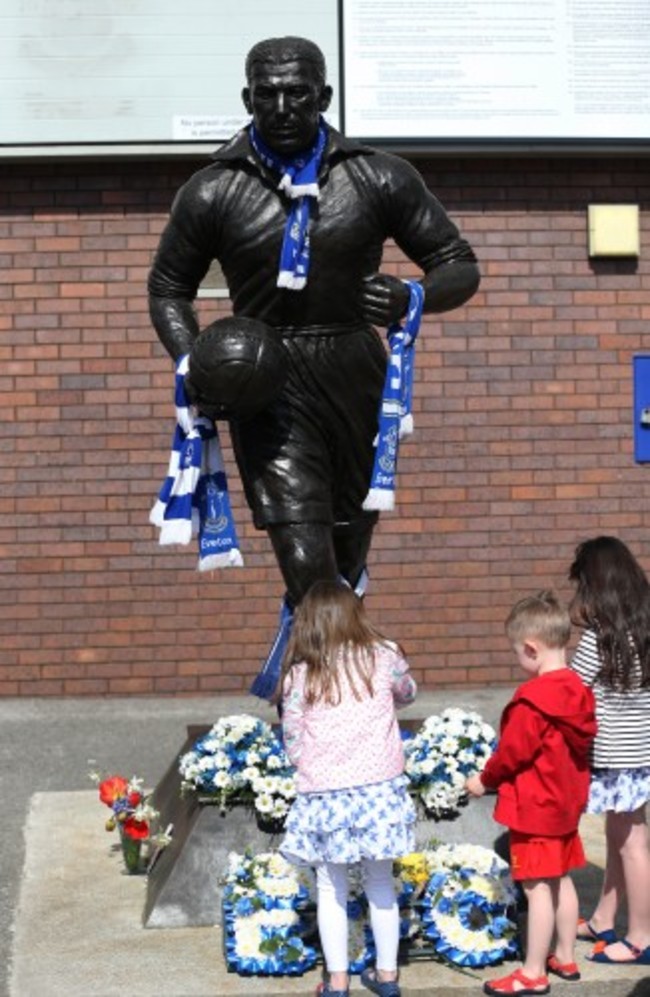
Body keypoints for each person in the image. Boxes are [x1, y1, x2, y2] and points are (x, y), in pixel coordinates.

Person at [147, 36, 480, 657]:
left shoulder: (379, 175)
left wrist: (414, 296)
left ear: (323, 96)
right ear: (246, 98)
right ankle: (338, 701)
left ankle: (314, 694)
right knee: (305, 556)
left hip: (355, 372)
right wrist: (197, 363)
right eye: (266, 93)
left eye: (296, 92)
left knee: (349, 547)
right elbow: (168, 288)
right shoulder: (212, 189)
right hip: (266, 383)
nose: (280, 105)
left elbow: (458, 264)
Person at [277, 579, 417, 997]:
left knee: (329, 886)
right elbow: (407, 694)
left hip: (326, 794)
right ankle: (387, 977)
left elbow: (293, 736)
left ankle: (338, 982)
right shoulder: (384, 655)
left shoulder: (301, 674)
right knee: (380, 882)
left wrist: (310, 767)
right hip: (379, 790)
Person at [466, 591, 597, 996]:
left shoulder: (532, 701)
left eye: (517, 653)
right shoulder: (577, 690)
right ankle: (566, 956)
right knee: (562, 880)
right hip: (565, 806)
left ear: (531, 648)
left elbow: (511, 754)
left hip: (535, 807)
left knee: (536, 888)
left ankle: (533, 971)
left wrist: (483, 781)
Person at [568, 535, 650, 966]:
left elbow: (570, 691)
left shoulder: (601, 638)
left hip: (617, 757)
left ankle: (641, 938)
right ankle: (604, 917)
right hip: (640, 754)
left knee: (632, 844)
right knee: (622, 839)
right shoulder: (644, 627)